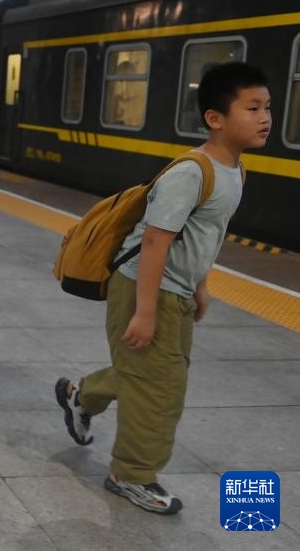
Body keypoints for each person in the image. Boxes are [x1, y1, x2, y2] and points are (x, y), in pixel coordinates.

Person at [55, 62, 272, 515]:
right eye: (252, 108)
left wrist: (201, 284)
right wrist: (146, 311)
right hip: (143, 289)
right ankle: (130, 475)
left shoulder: (235, 170)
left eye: (267, 107)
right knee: (159, 389)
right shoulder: (192, 173)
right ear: (215, 118)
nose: (265, 117)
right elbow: (156, 241)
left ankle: (80, 395)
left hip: (174, 290)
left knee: (149, 375)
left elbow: (203, 236)